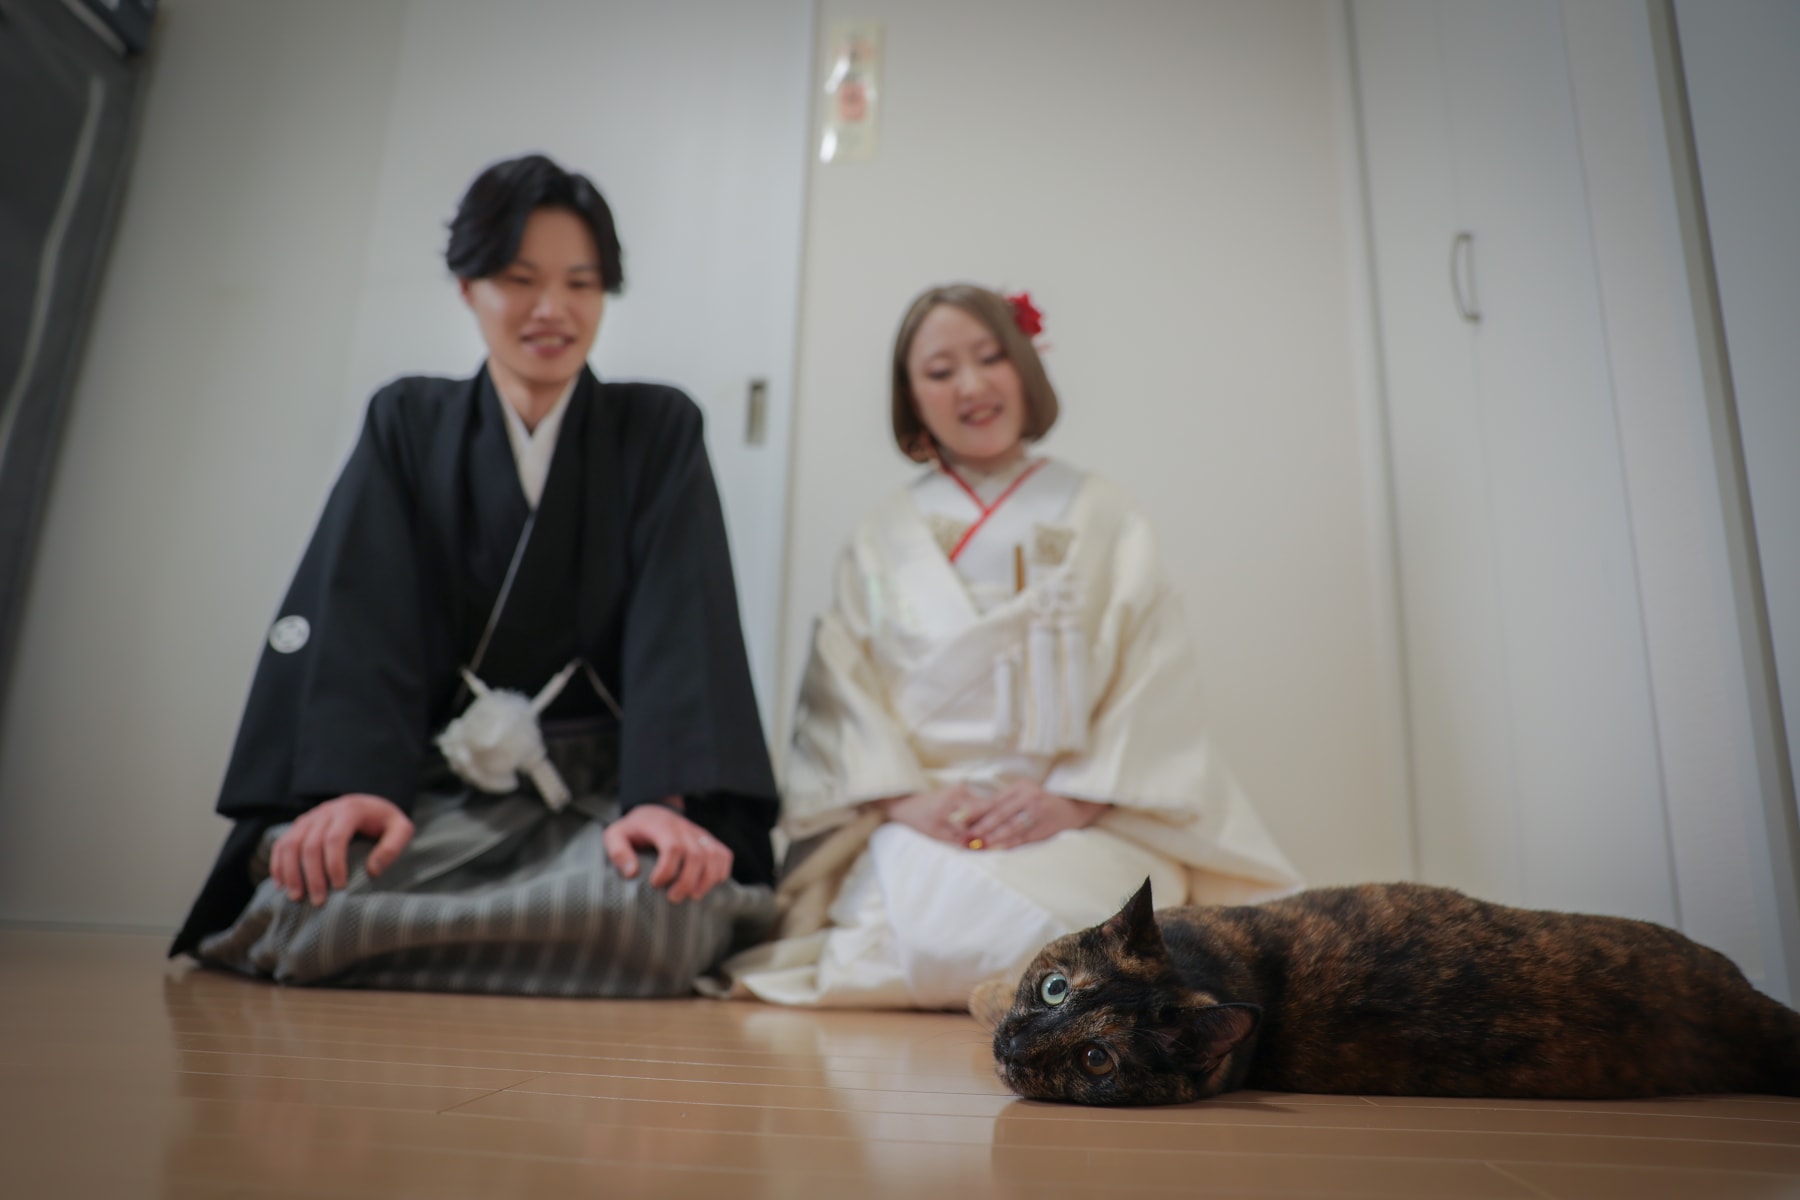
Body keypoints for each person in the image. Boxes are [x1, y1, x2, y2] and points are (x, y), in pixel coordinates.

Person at [170, 154, 779, 996]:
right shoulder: (406, 420)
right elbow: (361, 619)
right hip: (430, 786)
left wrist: (659, 804)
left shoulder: (659, 428)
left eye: (581, 283)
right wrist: (356, 788)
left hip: (599, 794)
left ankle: (417, 948)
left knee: (661, 904)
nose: (552, 309)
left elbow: (682, 632)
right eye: (519, 279)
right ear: (467, 287)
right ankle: (531, 947)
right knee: (310, 893)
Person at [725, 284, 1301, 1009]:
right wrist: (906, 799)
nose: (971, 385)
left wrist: (1074, 799)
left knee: (1099, 914)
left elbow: (1153, 675)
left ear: (1025, 367)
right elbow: (841, 687)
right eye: (940, 371)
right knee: (969, 930)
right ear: (911, 396)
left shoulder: (1105, 515)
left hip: (1077, 814)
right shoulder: (883, 533)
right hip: (931, 819)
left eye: (990, 357)